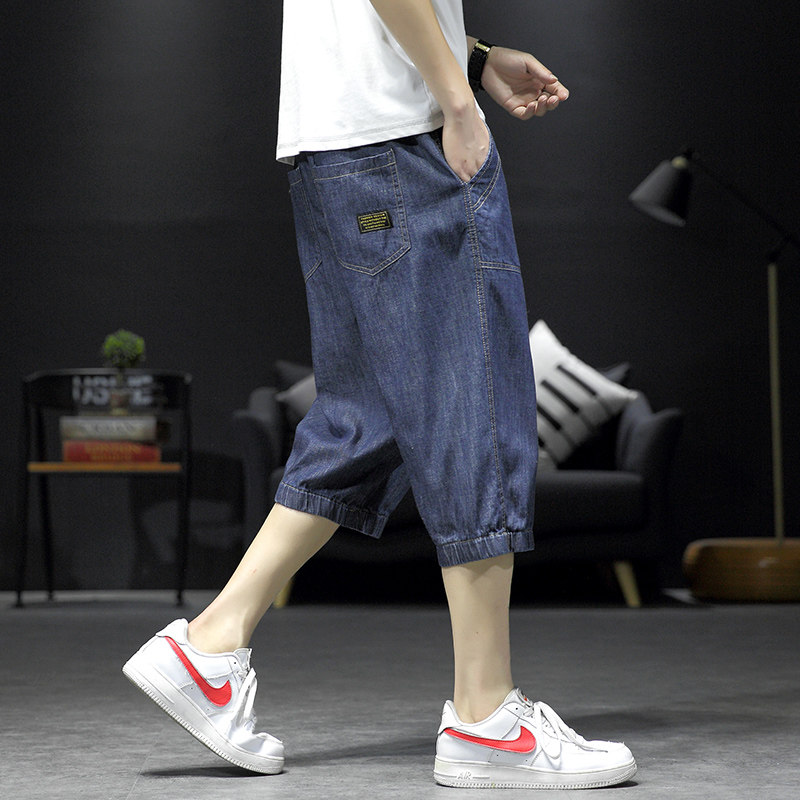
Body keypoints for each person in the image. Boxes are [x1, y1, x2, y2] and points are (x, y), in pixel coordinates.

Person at [123, 0, 637, 789]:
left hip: (338, 150)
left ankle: (210, 646)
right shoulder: (428, 122)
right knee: (471, 404)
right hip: (402, 143)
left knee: (368, 418)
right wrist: (457, 102)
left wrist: (473, 57)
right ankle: (488, 719)